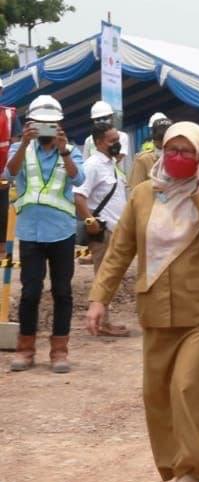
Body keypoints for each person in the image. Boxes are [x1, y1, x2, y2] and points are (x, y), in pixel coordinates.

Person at [86, 122, 199, 482]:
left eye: (188, 152)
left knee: (186, 387)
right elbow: (120, 250)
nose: (178, 158)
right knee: (156, 394)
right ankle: (174, 467)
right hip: (156, 309)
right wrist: (99, 298)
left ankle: (190, 472)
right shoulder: (142, 195)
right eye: (173, 150)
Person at [6, 95, 85, 373]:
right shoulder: (21, 148)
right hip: (30, 232)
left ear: (60, 125)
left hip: (61, 233)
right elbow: (9, 173)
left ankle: (59, 350)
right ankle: (25, 349)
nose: (46, 129)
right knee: (30, 292)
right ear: (31, 124)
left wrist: (64, 151)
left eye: (51, 124)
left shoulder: (71, 151)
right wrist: (24, 143)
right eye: (41, 124)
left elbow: (79, 179)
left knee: (62, 292)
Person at [74, 123, 129, 338]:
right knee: (104, 277)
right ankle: (102, 323)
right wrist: (90, 220)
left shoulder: (111, 165)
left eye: (117, 139)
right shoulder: (93, 165)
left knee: (110, 277)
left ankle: (105, 320)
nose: (116, 144)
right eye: (111, 140)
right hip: (103, 231)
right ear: (98, 142)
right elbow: (79, 196)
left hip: (116, 230)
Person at [83, 100, 131, 169]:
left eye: (105, 118)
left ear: (111, 117)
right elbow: (85, 163)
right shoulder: (89, 141)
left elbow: (118, 157)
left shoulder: (121, 136)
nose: (101, 121)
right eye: (98, 119)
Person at [128, 112, 171, 188]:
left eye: (166, 136)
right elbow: (135, 189)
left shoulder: (179, 156)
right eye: (160, 138)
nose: (163, 141)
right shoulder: (144, 159)